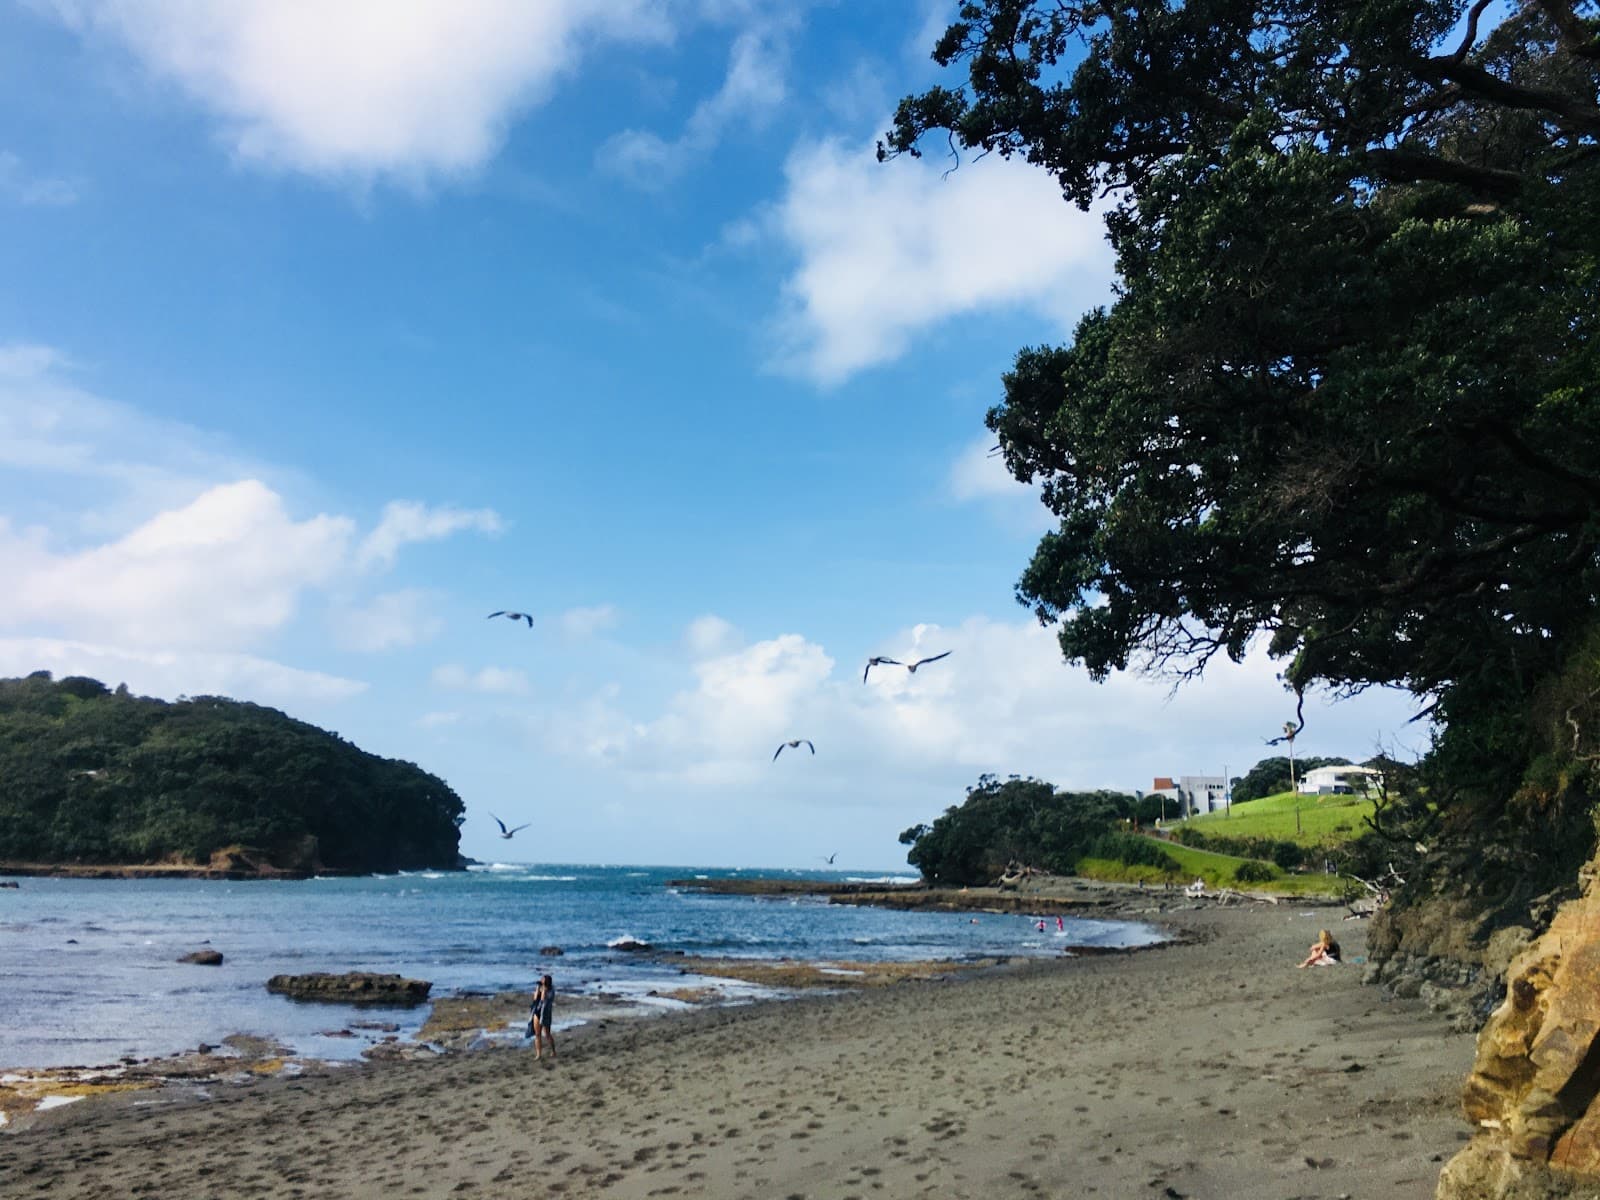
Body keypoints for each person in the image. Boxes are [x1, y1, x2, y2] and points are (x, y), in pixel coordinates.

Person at [528, 973, 557, 1059]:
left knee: (547, 1034)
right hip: (537, 1011)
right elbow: (535, 998)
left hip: (545, 1013)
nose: (541, 981)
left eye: (543, 980)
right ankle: (538, 1054)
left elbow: (543, 999)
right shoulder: (540, 988)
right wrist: (538, 988)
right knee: (537, 1034)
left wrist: (544, 990)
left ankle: (553, 1051)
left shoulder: (551, 991)